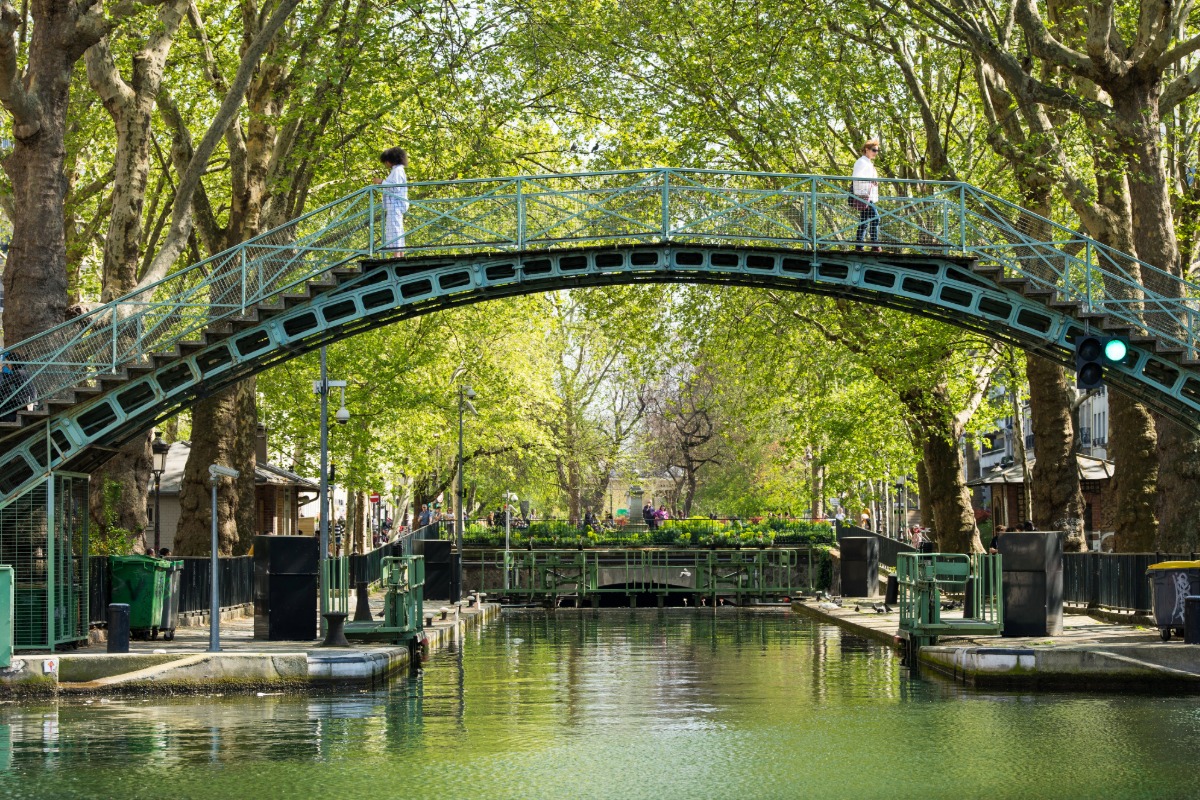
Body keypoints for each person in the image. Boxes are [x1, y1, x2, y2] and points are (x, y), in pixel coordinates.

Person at [374, 147, 409, 258]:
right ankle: (399, 253)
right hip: (394, 204)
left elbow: (395, 187)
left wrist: (381, 182)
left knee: (395, 228)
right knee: (395, 228)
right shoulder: (396, 170)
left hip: (396, 204)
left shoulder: (398, 171)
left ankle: (397, 254)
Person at [850, 139, 882, 251]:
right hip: (864, 196)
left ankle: (859, 245)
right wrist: (870, 181)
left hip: (869, 196)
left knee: (864, 220)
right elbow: (856, 178)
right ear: (866, 150)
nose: (876, 153)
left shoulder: (867, 162)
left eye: (877, 150)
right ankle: (875, 244)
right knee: (876, 218)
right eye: (874, 150)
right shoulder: (861, 162)